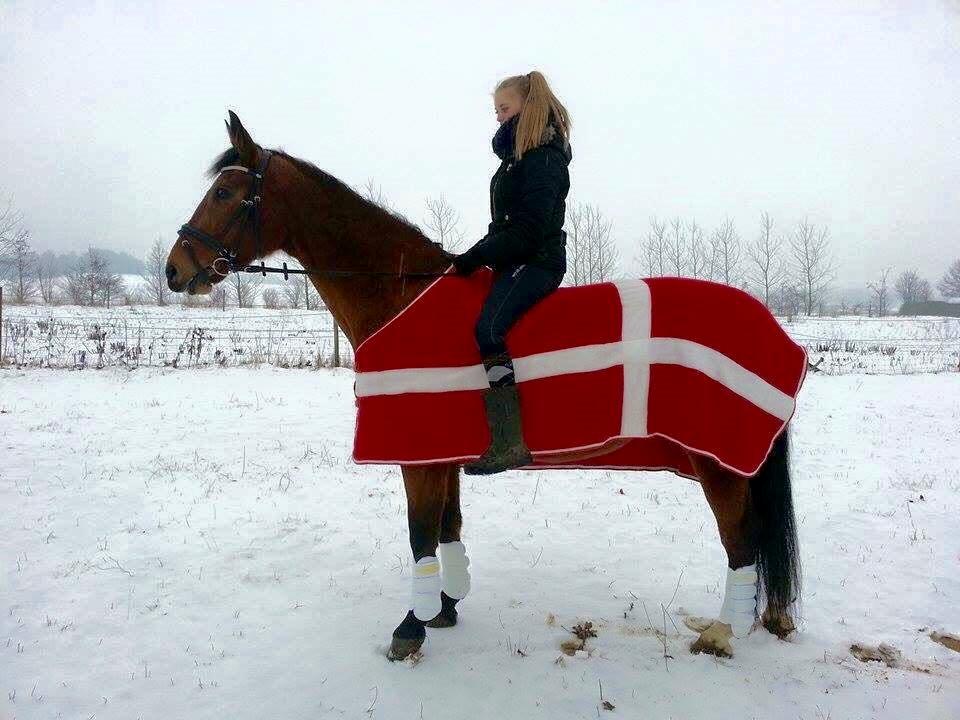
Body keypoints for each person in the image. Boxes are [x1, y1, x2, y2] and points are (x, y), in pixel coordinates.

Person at [453, 71, 572, 475]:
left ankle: (509, 442)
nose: (499, 118)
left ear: (527, 106)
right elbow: (505, 224)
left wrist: (477, 255)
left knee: (489, 330)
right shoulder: (516, 159)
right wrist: (476, 252)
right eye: (496, 111)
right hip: (514, 256)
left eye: (504, 109)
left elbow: (527, 231)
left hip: (537, 261)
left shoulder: (544, 157)